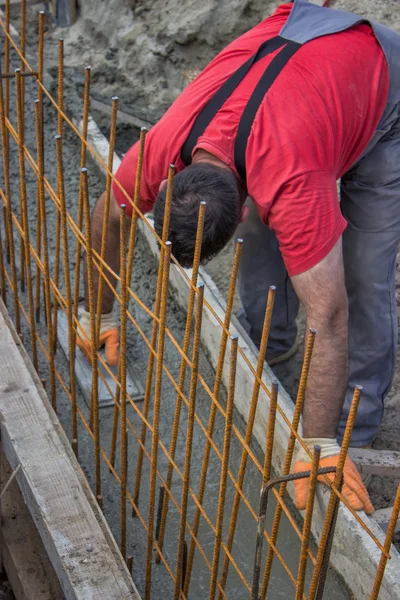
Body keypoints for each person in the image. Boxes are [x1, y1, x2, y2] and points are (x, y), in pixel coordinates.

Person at [77, 0, 400, 514]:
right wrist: (99, 311)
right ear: (168, 181)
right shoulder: (165, 145)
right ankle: (271, 344)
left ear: (245, 201)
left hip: (380, 88)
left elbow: (330, 314)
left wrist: (316, 445)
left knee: (361, 277)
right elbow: (105, 214)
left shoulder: (291, 185)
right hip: (300, 51)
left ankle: (349, 432)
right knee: (276, 247)